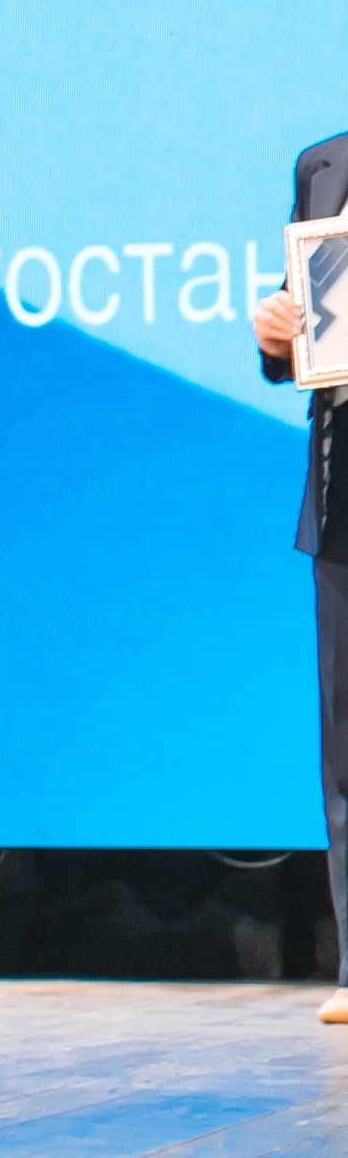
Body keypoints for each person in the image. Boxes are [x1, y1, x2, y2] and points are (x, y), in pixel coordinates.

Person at [253, 140, 348, 1024]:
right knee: (346, 738)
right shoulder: (322, 168)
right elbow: (299, 337)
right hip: (341, 485)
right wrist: (277, 334)